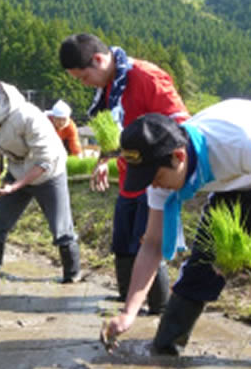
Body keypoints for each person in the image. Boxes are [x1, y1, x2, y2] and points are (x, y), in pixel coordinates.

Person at [104, 99, 251, 367]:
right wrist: (128, 313)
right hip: (234, 183)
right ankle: (163, 353)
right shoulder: (159, 171)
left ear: (179, 157)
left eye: (155, 177)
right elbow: (153, 244)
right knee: (202, 264)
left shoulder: (242, 143)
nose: (155, 185)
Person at [59, 33, 189, 313]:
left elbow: (180, 126)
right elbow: (114, 133)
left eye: (83, 77)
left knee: (148, 242)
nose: (85, 84)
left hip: (156, 175)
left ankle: (159, 309)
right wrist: (103, 160)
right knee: (123, 240)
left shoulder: (147, 77)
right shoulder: (108, 87)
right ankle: (126, 300)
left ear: (98, 59)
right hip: (129, 175)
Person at [0, 81, 81, 283]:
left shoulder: (26, 116)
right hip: (17, 171)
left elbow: (45, 161)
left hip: (49, 172)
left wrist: (15, 186)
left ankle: (72, 277)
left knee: (61, 230)